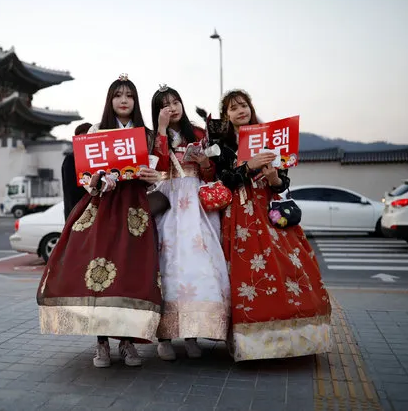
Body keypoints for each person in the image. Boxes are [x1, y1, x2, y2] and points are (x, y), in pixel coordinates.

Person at [37, 74, 163, 368]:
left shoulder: (146, 135)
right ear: (110, 101)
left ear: (135, 101)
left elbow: (158, 174)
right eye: (118, 95)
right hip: (103, 211)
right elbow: (85, 179)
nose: (123, 100)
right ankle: (102, 342)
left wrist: (154, 177)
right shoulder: (96, 131)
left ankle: (128, 343)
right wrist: (96, 180)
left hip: (135, 212)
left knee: (131, 276)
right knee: (100, 276)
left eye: (129, 95)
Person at [212, 90, 332, 361]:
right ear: (226, 115)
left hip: (270, 211)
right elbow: (224, 179)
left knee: (290, 267)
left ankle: (296, 336)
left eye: (244, 105)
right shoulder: (222, 145)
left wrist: (275, 178)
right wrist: (247, 167)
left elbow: (283, 183)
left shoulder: (272, 138)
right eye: (233, 108)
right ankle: (251, 342)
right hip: (240, 214)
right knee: (246, 275)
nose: (240, 111)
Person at [150, 85, 230, 360]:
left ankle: (193, 333)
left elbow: (210, 174)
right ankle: (165, 337)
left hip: (197, 205)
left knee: (200, 267)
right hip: (170, 202)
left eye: (175, 101)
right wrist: (160, 131)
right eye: (165, 104)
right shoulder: (152, 137)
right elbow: (157, 169)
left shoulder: (197, 133)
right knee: (169, 267)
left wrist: (204, 161)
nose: (172, 107)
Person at [61, 122, 93, 220]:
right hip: (78, 214)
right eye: (82, 138)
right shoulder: (71, 159)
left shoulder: (97, 160)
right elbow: (71, 191)